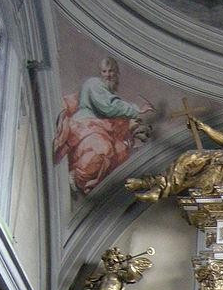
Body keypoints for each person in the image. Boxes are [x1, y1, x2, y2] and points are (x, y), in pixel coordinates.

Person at [53, 57, 154, 194]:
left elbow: (116, 125)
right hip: (85, 125)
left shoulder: (108, 94)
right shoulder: (94, 84)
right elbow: (108, 107)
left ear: (116, 73)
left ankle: (80, 178)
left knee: (112, 151)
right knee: (101, 148)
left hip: (97, 129)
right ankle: (76, 177)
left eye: (111, 71)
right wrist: (136, 110)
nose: (108, 75)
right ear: (100, 73)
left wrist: (132, 133)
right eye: (104, 71)